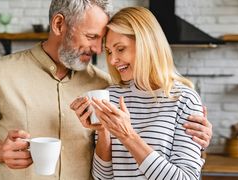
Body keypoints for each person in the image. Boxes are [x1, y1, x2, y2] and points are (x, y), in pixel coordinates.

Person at [0, 1, 211, 180]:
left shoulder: (104, 89)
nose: (99, 52)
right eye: (92, 37)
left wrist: (192, 133)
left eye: (103, 43)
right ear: (59, 24)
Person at [70, 6, 207, 179]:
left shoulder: (184, 100)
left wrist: (128, 136)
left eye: (120, 49)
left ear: (146, 44)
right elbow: (102, 177)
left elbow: (187, 178)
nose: (112, 60)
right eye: (109, 51)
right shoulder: (110, 96)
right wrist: (103, 131)